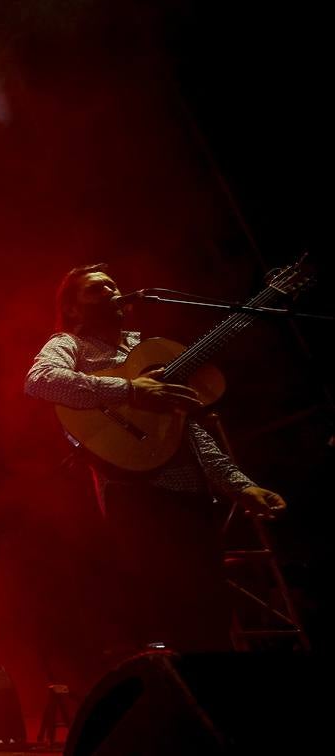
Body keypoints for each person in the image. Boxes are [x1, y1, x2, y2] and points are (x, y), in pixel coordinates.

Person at [24, 263, 286, 652]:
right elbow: (40, 381)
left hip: (190, 493)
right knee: (173, 612)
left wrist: (241, 486)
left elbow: (189, 431)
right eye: (96, 290)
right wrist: (129, 390)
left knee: (213, 610)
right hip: (135, 494)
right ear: (74, 310)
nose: (111, 291)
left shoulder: (146, 349)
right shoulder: (70, 344)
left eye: (112, 285)